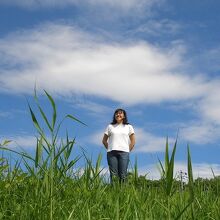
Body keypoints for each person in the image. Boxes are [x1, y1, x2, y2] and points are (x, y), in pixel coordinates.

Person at [102, 108, 135, 183]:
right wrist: (110, 148)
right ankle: (114, 192)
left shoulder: (129, 127)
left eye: (120, 113)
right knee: (113, 175)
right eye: (116, 113)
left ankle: (122, 193)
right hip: (111, 153)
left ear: (124, 116)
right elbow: (104, 140)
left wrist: (127, 150)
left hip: (124, 153)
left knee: (123, 174)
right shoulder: (110, 126)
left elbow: (133, 141)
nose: (118, 114)